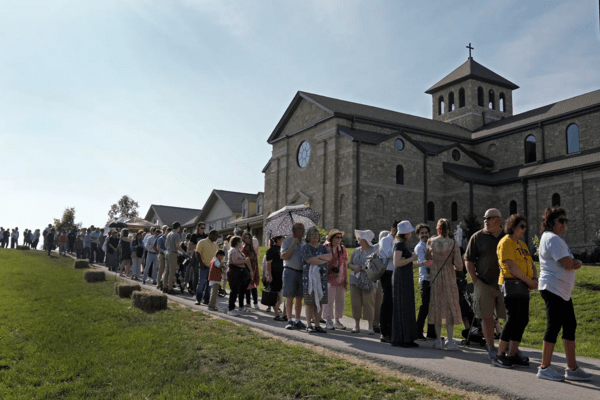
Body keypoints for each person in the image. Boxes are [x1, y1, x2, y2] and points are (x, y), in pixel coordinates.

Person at [536, 207, 592, 381]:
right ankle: (544, 367)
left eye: (565, 221)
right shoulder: (552, 238)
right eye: (561, 221)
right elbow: (568, 263)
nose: (564, 224)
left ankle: (572, 368)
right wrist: (578, 262)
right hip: (553, 288)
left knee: (570, 325)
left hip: (560, 291)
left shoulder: (553, 239)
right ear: (551, 222)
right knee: (554, 326)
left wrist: (573, 263)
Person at [465, 208, 509, 364]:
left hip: (505, 283)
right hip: (484, 283)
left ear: (498, 220)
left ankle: (508, 346)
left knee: (508, 317)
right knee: (487, 317)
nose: (485, 220)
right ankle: (491, 347)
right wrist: (475, 280)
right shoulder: (477, 237)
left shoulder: (507, 236)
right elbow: (469, 260)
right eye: (484, 218)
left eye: (489, 218)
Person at [493, 214, 537, 368]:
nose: (524, 230)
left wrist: (535, 279)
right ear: (512, 226)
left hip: (524, 285)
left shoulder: (523, 246)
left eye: (525, 227)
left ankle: (512, 354)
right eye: (521, 226)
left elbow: (531, 264)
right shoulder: (505, 243)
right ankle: (499, 355)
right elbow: (511, 266)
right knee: (512, 319)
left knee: (523, 319)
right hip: (511, 285)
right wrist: (529, 281)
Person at [425, 219, 463, 351]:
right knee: (449, 306)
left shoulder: (431, 242)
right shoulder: (453, 244)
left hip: (436, 276)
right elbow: (459, 266)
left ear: (437, 229)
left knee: (437, 306)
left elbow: (427, 258)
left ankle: (437, 340)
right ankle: (451, 341)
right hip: (449, 278)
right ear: (448, 229)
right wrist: (451, 266)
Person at [391, 221, 419, 348]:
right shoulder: (399, 245)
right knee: (403, 307)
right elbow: (396, 263)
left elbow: (406, 264)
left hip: (405, 278)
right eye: (410, 231)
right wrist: (412, 258)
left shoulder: (401, 244)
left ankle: (408, 337)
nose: (411, 233)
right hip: (401, 279)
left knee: (407, 306)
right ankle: (402, 338)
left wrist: (421, 264)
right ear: (406, 232)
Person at [301, 226, 331, 333]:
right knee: (310, 302)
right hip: (308, 279)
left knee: (320, 302)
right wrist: (322, 259)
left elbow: (329, 257)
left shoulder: (323, 248)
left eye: (317, 235)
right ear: (308, 237)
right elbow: (310, 260)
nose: (315, 237)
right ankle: (309, 325)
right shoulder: (305, 247)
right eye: (312, 235)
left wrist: (316, 259)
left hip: (322, 279)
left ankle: (317, 324)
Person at [347, 230, 378, 334]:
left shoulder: (374, 251)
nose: (358, 239)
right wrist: (354, 267)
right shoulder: (356, 250)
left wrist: (362, 268)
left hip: (369, 281)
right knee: (356, 303)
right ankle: (356, 326)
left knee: (369, 303)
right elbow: (349, 264)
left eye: (360, 237)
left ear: (365, 240)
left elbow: (375, 266)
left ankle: (370, 327)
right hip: (354, 280)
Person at [282, 223, 307, 330]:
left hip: (302, 272)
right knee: (289, 297)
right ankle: (289, 320)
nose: (301, 231)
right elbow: (284, 256)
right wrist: (293, 244)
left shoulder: (304, 243)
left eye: (302, 229)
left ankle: (297, 320)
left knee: (299, 298)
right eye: (298, 229)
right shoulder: (287, 241)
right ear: (293, 231)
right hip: (290, 271)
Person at [414, 223, 436, 341]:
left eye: (426, 233)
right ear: (418, 235)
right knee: (425, 306)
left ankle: (431, 332)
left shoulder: (430, 245)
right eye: (422, 233)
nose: (424, 235)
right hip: (426, 279)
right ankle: (418, 331)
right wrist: (434, 271)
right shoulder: (420, 247)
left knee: (433, 307)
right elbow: (425, 262)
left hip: (433, 279)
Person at [323, 229, 348, 330]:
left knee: (340, 300)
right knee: (328, 300)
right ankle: (328, 320)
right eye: (337, 237)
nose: (339, 239)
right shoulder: (325, 247)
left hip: (340, 277)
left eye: (340, 237)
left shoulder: (342, 248)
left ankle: (337, 320)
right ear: (331, 238)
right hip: (328, 277)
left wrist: (345, 278)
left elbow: (345, 264)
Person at [378, 221, 398, 343]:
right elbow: (389, 254)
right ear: (394, 230)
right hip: (387, 273)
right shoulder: (386, 240)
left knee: (392, 303)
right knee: (387, 302)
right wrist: (398, 246)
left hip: (395, 273)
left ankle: (392, 330)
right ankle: (384, 332)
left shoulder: (396, 241)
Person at [227, 236, 250, 316]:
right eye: (240, 241)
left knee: (237, 290)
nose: (242, 243)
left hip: (238, 272)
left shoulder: (238, 251)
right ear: (237, 243)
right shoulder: (234, 250)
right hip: (234, 272)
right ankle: (230, 309)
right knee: (233, 291)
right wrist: (244, 261)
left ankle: (233, 308)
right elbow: (234, 261)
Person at [195, 230, 220, 305]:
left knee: (209, 285)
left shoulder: (216, 245)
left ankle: (206, 300)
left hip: (212, 267)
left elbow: (217, 256)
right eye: (216, 236)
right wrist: (200, 262)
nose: (217, 238)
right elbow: (197, 253)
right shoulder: (202, 242)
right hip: (203, 266)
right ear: (212, 235)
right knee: (201, 283)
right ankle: (198, 299)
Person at [266, 235, 286, 321]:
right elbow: (268, 264)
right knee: (276, 294)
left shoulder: (283, 248)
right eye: (282, 238)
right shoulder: (271, 250)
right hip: (275, 274)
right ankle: (277, 314)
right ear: (278, 240)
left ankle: (285, 315)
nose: (284, 240)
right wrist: (269, 275)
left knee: (284, 294)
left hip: (284, 273)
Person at [164, 222, 186, 294]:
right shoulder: (176, 234)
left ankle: (165, 287)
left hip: (167, 252)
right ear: (178, 227)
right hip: (173, 253)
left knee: (166, 271)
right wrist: (184, 252)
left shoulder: (169, 234)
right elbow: (177, 246)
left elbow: (166, 245)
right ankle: (170, 288)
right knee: (172, 271)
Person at [186, 222, 207, 295]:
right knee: (196, 274)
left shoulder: (205, 236)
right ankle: (195, 290)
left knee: (203, 274)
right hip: (196, 255)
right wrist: (197, 245)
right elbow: (190, 247)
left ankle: (201, 289)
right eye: (201, 228)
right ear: (198, 228)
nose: (203, 229)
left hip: (204, 256)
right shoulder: (194, 236)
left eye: (204, 228)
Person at [242, 231, 260, 310]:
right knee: (249, 287)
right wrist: (251, 271)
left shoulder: (252, 247)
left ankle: (254, 303)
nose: (248, 239)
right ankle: (250, 303)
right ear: (243, 239)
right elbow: (246, 260)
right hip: (248, 270)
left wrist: (255, 270)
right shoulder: (245, 248)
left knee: (252, 287)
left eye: (249, 238)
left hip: (254, 269)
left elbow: (255, 259)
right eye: (246, 238)